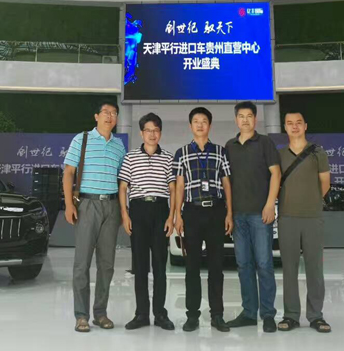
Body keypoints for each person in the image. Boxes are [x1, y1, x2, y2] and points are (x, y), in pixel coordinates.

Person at [62, 100, 126, 333]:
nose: (110, 116)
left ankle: (100, 313)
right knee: (82, 264)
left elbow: (122, 181)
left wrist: (123, 210)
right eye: (106, 112)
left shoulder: (119, 146)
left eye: (114, 113)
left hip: (112, 207)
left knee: (106, 265)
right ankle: (81, 316)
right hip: (87, 205)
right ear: (96, 117)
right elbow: (69, 173)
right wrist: (69, 204)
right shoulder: (82, 139)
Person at [174, 107, 233, 333]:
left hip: (216, 211)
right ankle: (192, 315)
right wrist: (178, 214)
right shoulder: (181, 153)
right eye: (196, 121)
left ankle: (217, 315)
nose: (200, 125)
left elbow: (226, 183)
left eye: (204, 121)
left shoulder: (220, 151)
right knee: (192, 266)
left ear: (210, 125)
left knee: (216, 266)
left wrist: (229, 212)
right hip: (192, 212)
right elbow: (180, 186)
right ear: (190, 126)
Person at [225, 101, 281, 333]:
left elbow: (276, 174)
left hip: (260, 214)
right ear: (236, 120)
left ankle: (268, 314)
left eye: (249, 116)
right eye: (241, 116)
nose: (245, 120)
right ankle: (249, 313)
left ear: (255, 119)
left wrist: (270, 204)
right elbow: (226, 182)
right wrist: (228, 213)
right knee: (243, 265)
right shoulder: (229, 146)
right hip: (238, 215)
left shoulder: (265, 143)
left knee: (264, 264)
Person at [119, 113, 176, 331]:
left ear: (160, 133)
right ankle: (141, 314)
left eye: (156, 130)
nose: (152, 134)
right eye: (148, 130)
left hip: (160, 210)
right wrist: (125, 215)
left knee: (160, 266)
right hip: (138, 211)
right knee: (140, 266)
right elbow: (123, 188)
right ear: (141, 133)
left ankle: (160, 314)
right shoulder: (131, 157)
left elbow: (173, 189)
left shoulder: (168, 158)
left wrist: (171, 216)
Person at [277, 112, 332, 334]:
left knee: (314, 268)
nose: (295, 126)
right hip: (287, 217)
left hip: (312, 217)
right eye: (290, 123)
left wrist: (311, 202)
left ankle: (316, 315)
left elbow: (325, 183)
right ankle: (290, 315)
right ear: (285, 127)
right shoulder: (279, 155)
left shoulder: (318, 153)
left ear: (305, 126)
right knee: (289, 269)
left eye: (298, 123)